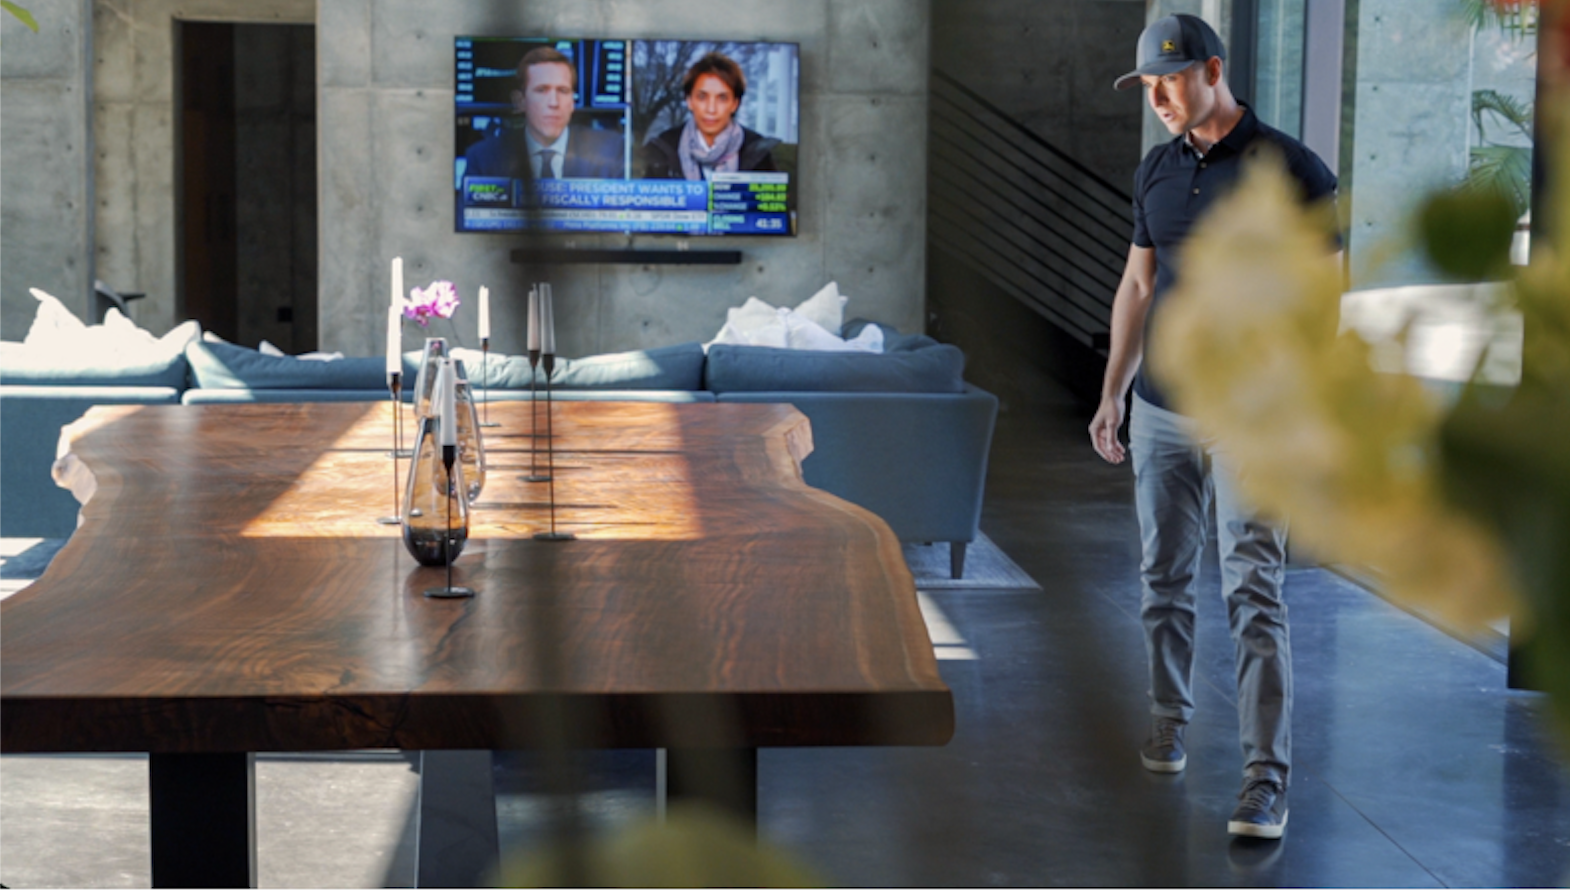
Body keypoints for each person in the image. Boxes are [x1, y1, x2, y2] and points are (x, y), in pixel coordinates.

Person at [1090, 14, 1339, 841]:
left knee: (1253, 590)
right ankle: (1168, 717)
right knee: (1162, 576)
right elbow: (1137, 286)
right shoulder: (1154, 171)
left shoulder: (1291, 169)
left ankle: (1267, 778)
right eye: (1147, 87)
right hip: (1161, 408)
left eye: (1169, 80)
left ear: (1213, 71)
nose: (1158, 98)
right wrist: (1112, 392)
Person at [463, 46, 625, 181]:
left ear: (572, 102)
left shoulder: (610, 152)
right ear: (521, 101)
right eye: (541, 90)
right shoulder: (484, 158)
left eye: (563, 91)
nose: (554, 103)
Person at [638, 51, 779, 180]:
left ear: (735, 104)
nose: (711, 109)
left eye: (722, 98)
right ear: (689, 101)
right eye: (702, 97)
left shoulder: (757, 151)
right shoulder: (663, 149)